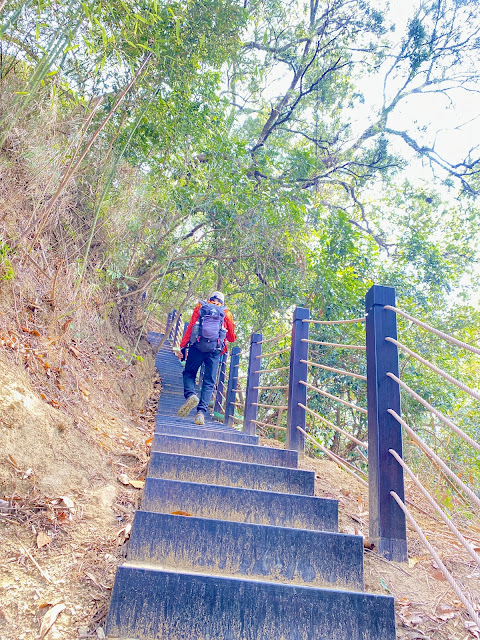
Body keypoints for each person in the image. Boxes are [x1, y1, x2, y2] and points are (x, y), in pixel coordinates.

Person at [177, 291, 236, 425]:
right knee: (209, 381)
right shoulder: (226, 313)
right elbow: (231, 337)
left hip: (197, 346)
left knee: (189, 373)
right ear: (222, 301)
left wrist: (183, 346)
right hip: (214, 351)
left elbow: (192, 327)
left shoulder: (200, 306)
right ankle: (201, 414)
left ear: (209, 299)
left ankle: (191, 395)